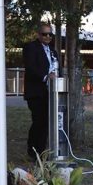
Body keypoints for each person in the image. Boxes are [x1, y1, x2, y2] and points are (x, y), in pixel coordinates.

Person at [22, 23, 59, 157]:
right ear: (39, 35)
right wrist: (45, 77)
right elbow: (31, 68)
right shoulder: (31, 47)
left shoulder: (53, 51)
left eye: (50, 34)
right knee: (38, 120)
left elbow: (56, 69)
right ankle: (33, 151)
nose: (48, 37)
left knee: (46, 122)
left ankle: (42, 151)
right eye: (45, 34)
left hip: (51, 92)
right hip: (36, 92)